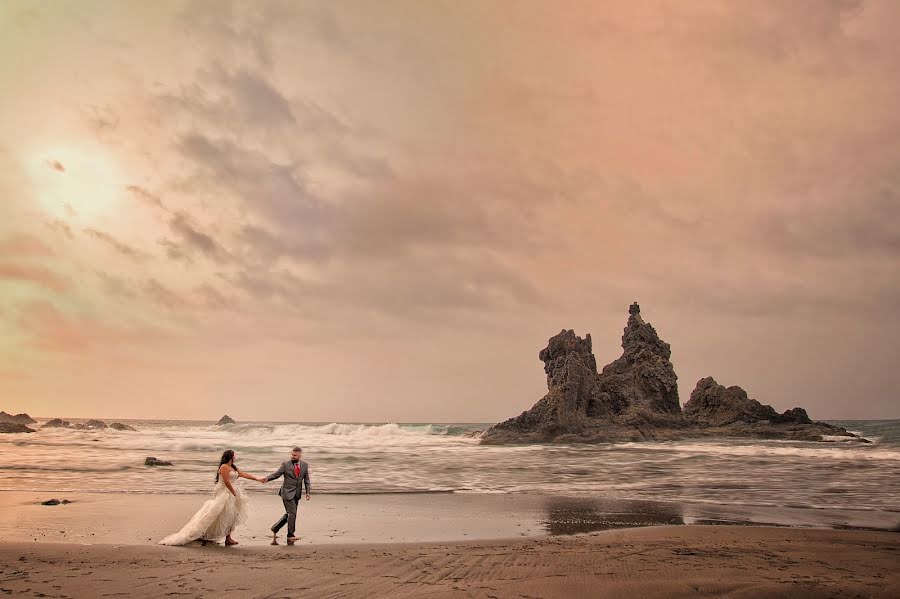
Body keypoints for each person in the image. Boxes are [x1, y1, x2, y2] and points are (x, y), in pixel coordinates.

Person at [159, 450, 266, 546]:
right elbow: (226, 481)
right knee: (219, 513)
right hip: (225, 492)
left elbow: (243, 474)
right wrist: (233, 492)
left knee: (232, 514)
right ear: (230, 456)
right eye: (234, 455)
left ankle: (228, 538)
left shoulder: (233, 467)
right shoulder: (224, 467)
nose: (235, 456)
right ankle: (202, 532)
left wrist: (258, 479)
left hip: (233, 492)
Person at [265, 446, 311, 545]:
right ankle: (290, 535)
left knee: (289, 514)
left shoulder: (305, 465)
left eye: (295, 455)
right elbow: (276, 474)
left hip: (297, 493)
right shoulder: (285, 465)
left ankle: (275, 528)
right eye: (292, 454)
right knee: (292, 514)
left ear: (300, 455)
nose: (292, 456)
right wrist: (267, 479)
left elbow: (306, 480)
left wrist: (308, 492)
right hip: (286, 492)